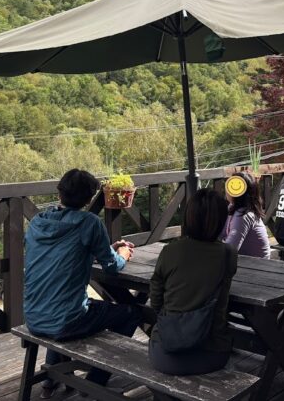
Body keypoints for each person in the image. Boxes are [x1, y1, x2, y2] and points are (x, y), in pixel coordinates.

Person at [24, 169, 140, 398]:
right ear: (89, 199)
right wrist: (123, 254)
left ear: (59, 193)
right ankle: (94, 383)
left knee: (61, 302)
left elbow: (61, 255)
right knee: (131, 313)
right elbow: (112, 266)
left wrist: (104, 249)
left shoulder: (38, 222)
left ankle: (51, 378)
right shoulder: (89, 223)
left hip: (33, 316)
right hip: (66, 321)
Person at [149, 189, 238, 375]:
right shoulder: (228, 254)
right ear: (221, 221)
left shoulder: (170, 251)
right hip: (210, 353)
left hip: (164, 354)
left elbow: (155, 301)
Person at [221, 172, 270, 258]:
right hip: (247, 261)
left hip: (257, 264)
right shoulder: (232, 207)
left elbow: (229, 250)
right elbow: (221, 234)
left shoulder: (243, 215)